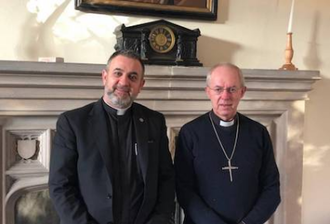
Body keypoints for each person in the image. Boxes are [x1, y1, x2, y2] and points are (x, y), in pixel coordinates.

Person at [49, 50, 175, 224]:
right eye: (118, 73)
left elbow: (166, 179)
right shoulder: (73, 123)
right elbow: (60, 186)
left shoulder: (154, 122)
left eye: (132, 77)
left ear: (141, 84)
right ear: (104, 77)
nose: (124, 82)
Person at [174, 63, 281, 224]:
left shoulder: (258, 133)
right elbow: (183, 189)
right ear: (208, 92)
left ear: (242, 92)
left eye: (232, 89)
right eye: (218, 89)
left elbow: (271, 189)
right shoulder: (190, 133)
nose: (225, 96)